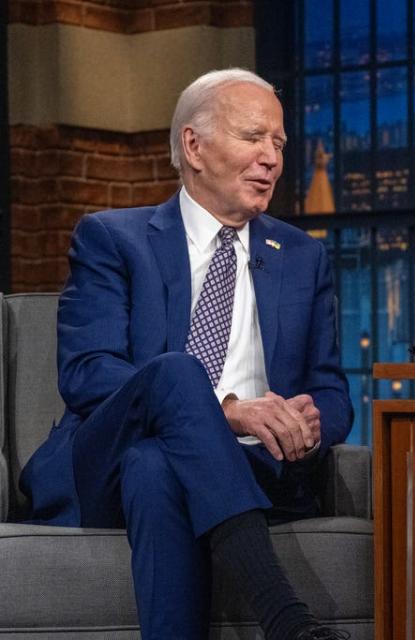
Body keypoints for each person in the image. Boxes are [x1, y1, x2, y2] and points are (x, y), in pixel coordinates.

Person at [19, 69, 353, 640]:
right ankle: (285, 617)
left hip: (253, 466)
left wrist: (309, 420)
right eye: (253, 137)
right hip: (107, 461)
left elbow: (332, 393)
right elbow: (87, 373)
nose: (270, 157)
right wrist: (224, 410)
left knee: (157, 468)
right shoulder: (113, 239)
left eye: (278, 143)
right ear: (194, 146)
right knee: (175, 375)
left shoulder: (301, 256)